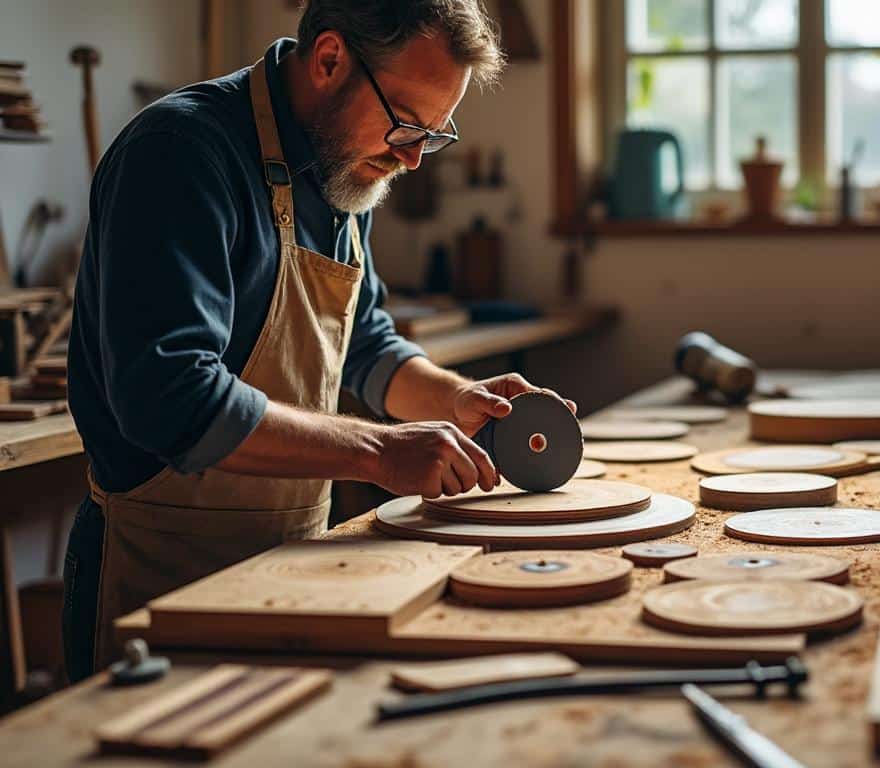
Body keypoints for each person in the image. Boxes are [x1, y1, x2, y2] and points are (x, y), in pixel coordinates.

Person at [61, 0, 568, 681]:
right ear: (330, 59)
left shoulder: (343, 165)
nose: (413, 158)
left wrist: (456, 399)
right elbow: (170, 397)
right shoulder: (180, 152)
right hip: (159, 571)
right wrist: (379, 451)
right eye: (406, 123)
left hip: (291, 565)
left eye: (432, 134)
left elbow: (365, 342)